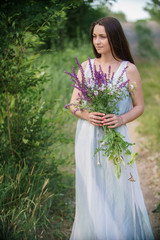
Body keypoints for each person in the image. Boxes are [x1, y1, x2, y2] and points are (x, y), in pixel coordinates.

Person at [69, 17, 154, 240]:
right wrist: (88, 114)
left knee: (119, 187)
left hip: (115, 137)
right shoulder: (85, 67)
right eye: (94, 36)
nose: (97, 41)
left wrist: (121, 119)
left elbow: (140, 106)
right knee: (92, 189)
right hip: (87, 137)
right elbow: (74, 104)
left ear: (114, 37)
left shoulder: (129, 69)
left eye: (102, 36)